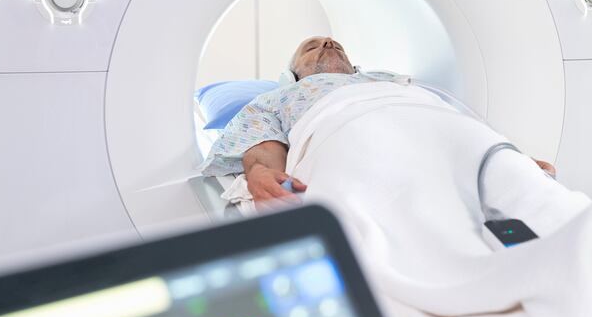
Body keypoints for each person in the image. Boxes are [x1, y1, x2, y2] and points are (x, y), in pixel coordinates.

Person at [200, 36, 556, 202]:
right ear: (293, 73)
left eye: (334, 43)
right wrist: (261, 173)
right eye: (312, 47)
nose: (327, 44)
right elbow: (261, 144)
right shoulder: (277, 98)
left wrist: (503, 151)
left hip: (418, 112)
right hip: (345, 124)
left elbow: (450, 118)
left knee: (508, 175)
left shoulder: (392, 80)